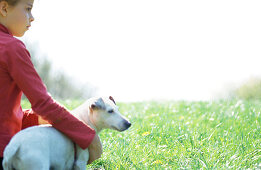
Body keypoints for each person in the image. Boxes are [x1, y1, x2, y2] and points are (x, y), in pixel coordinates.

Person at [0, 0, 102, 169]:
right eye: (28, 9)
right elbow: (43, 104)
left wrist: (35, 118)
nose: (31, 18)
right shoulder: (11, 48)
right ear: (4, 8)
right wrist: (88, 137)